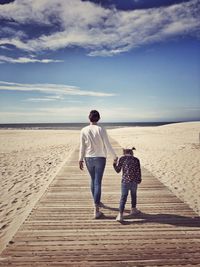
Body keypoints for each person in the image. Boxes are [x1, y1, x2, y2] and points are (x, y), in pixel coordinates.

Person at [79, 110, 118, 219]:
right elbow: (107, 144)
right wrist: (115, 157)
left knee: (93, 180)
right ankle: (96, 209)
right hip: (100, 158)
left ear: (89, 118)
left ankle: (97, 202)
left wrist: (80, 159)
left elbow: (82, 146)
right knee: (97, 182)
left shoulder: (83, 130)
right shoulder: (101, 129)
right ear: (99, 118)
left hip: (88, 158)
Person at [113, 147, 142, 222]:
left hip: (125, 181)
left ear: (124, 152)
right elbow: (138, 171)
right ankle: (133, 209)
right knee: (133, 195)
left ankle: (120, 214)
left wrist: (114, 163)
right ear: (131, 152)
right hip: (134, 181)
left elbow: (118, 170)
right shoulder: (136, 160)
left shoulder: (122, 159)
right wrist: (139, 180)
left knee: (123, 197)